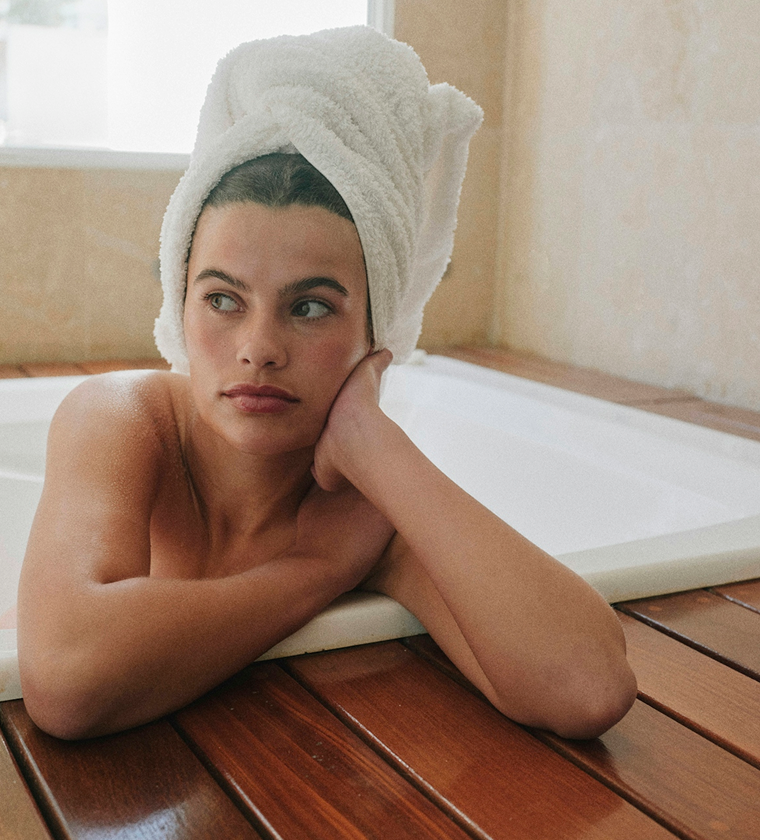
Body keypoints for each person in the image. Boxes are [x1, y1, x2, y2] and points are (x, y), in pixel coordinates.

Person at [17, 27, 636, 741]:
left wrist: (377, 445)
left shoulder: (367, 508)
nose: (258, 349)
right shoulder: (123, 421)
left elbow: (589, 687)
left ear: (376, 328)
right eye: (222, 299)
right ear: (178, 306)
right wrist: (315, 570)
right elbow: (66, 680)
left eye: (310, 307)